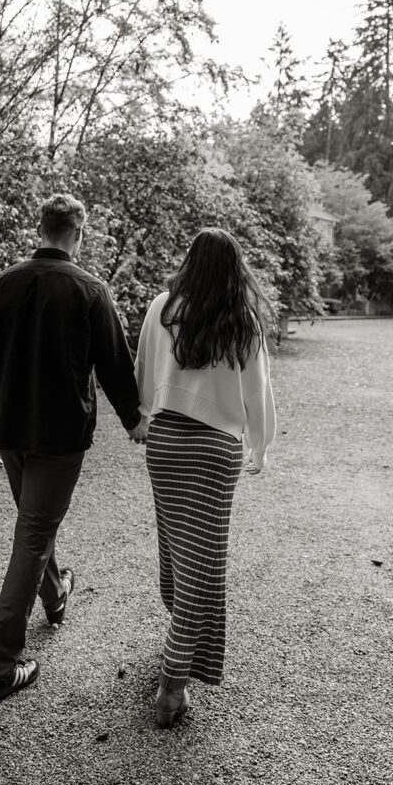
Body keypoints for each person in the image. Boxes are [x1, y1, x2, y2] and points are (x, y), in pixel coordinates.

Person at [0, 193, 149, 704]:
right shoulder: (91, 290)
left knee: (34, 522)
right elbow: (115, 363)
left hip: (9, 428)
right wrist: (134, 419)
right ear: (78, 234)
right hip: (60, 436)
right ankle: (1, 664)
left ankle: (56, 592)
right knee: (33, 532)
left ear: (41, 228)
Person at [135, 228, 276, 728]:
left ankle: (180, 632)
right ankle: (172, 685)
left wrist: (150, 411)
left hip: (167, 442)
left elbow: (143, 369)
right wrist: (260, 445)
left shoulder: (162, 308)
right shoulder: (242, 321)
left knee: (176, 548)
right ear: (235, 267)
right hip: (216, 448)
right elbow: (257, 392)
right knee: (205, 560)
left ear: (190, 261)